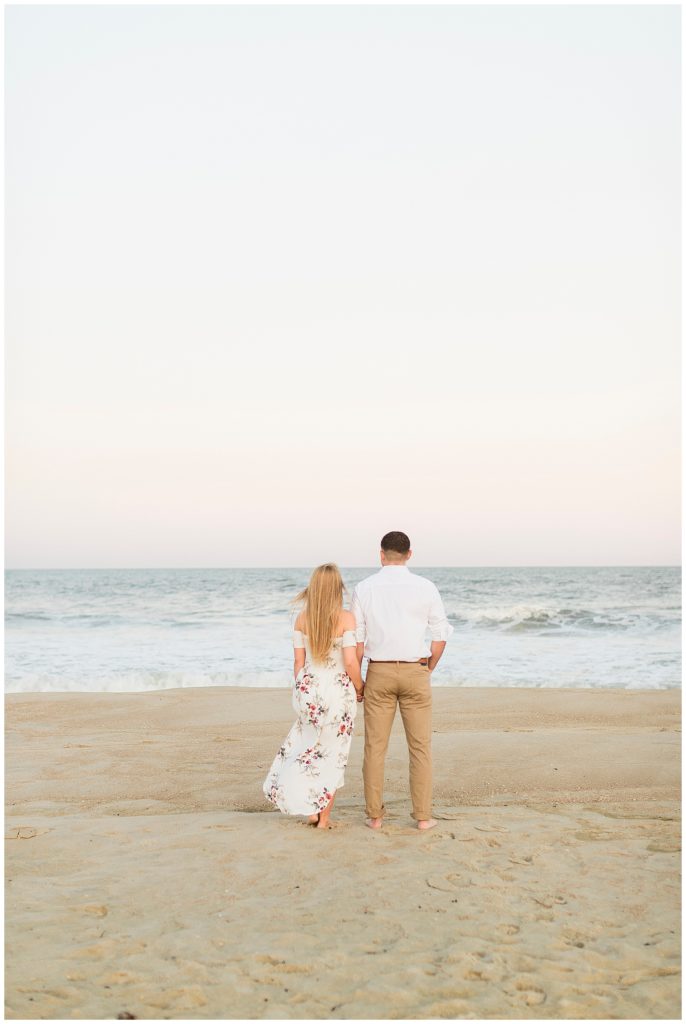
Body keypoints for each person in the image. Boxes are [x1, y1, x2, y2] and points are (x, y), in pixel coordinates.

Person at [351, 531, 453, 830]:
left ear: (381, 554)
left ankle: (375, 816)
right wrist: (429, 667)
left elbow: (356, 640)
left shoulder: (365, 587)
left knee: (375, 747)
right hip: (415, 671)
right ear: (409, 554)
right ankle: (422, 817)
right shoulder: (425, 587)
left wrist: (357, 681)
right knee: (420, 747)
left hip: (379, 671)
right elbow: (440, 634)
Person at [263, 563, 365, 829]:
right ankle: (324, 818)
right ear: (337, 589)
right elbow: (351, 662)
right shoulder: (346, 619)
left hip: (309, 689)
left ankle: (310, 810)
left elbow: (298, 662)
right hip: (337, 692)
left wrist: (302, 686)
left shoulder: (301, 619)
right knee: (333, 755)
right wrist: (360, 686)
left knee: (306, 749)